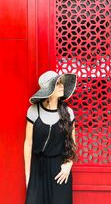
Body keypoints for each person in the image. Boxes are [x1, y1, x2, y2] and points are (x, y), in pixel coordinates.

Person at [24, 70, 77, 204]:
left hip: (60, 170)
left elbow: (73, 144)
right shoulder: (34, 111)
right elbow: (28, 143)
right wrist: (28, 175)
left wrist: (69, 164)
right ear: (48, 90)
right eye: (57, 83)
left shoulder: (68, 113)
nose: (62, 86)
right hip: (38, 169)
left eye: (62, 83)